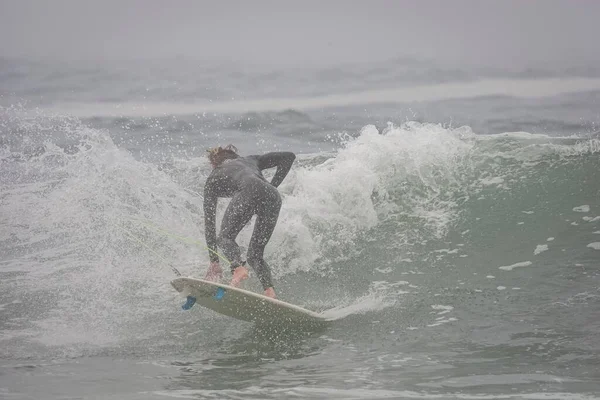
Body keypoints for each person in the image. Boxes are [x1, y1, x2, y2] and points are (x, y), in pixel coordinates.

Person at [202, 145, 296, 299]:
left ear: (214, 164)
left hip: (249, 190)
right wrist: (272, 187)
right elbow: (289, 156)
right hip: (273, 196)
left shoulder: (213, 178)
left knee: (225, 238)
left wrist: (214, 262)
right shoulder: (251, 160)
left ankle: (238, 268)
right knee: (255, 255)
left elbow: (209, 223)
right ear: (234, 156)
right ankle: (269, 291)